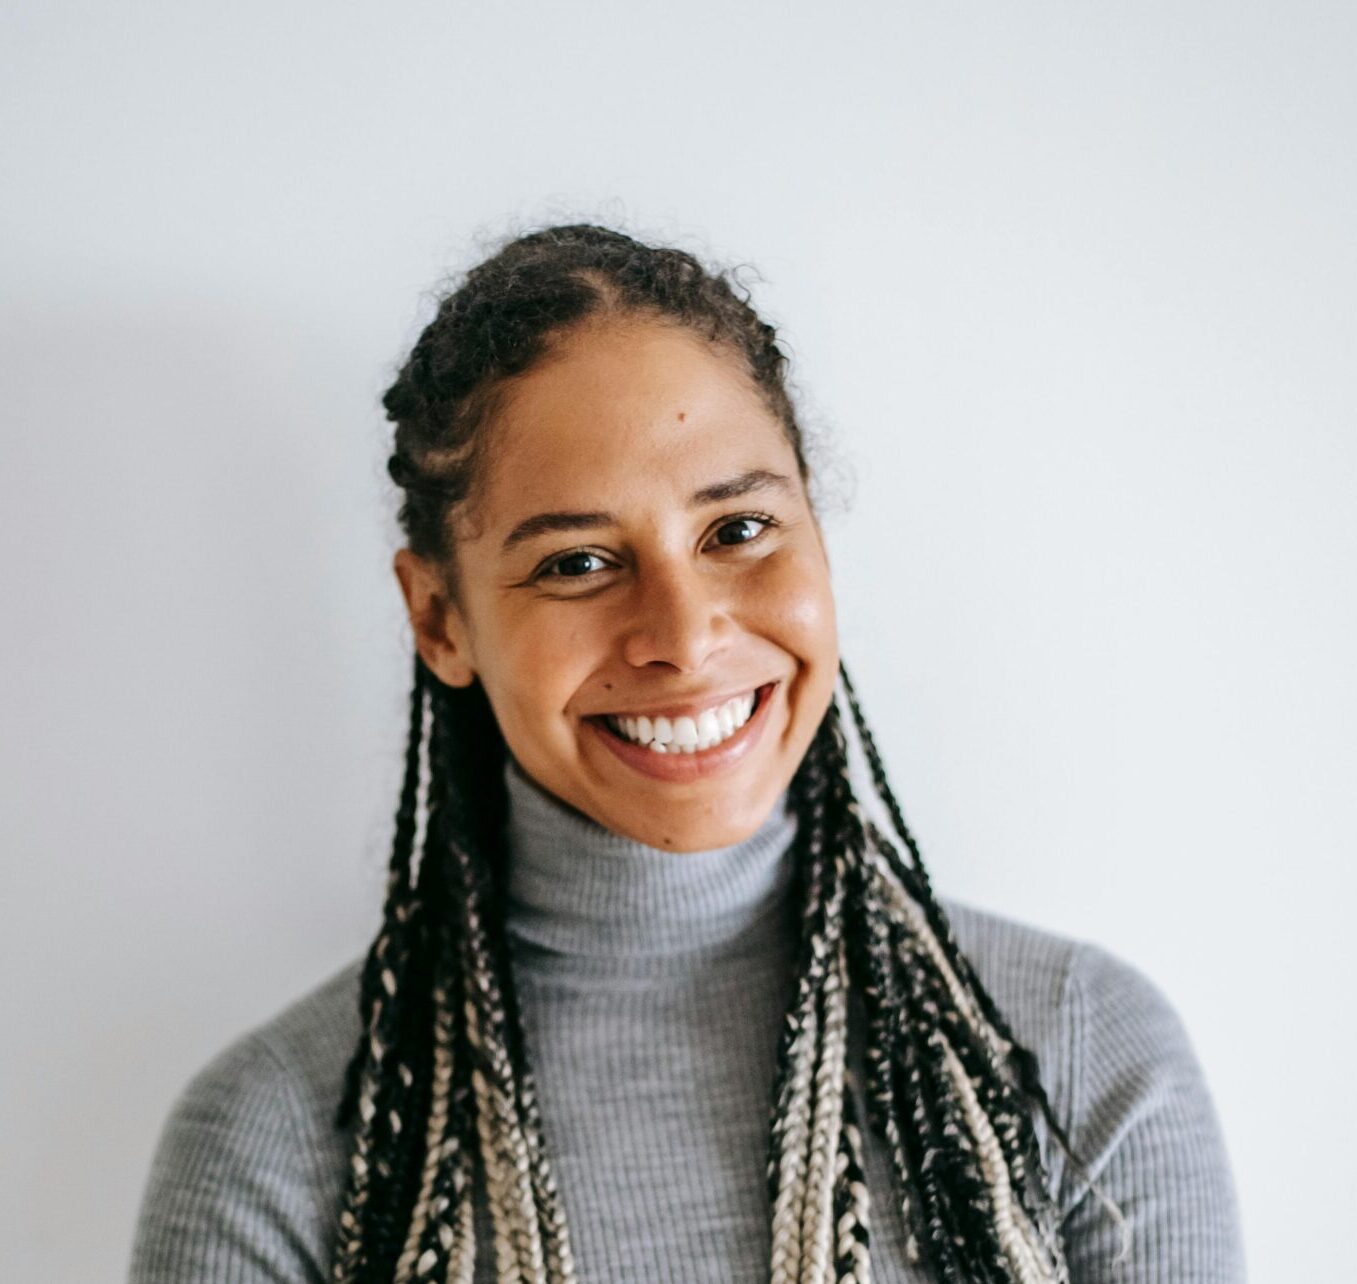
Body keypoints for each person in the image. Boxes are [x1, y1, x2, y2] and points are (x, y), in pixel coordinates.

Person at [127, 224, 1246, 1283]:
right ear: (439, 619)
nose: (684, 635)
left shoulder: (1080, 1051)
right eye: (576, 562)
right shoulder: (273, 1136)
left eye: (737, 530)